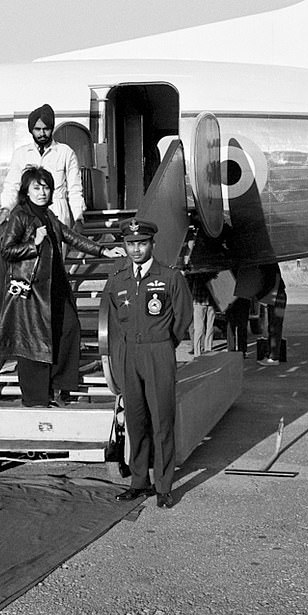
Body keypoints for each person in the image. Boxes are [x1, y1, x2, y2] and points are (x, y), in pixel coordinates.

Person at [0, 166, 124, 407]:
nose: (42, 192)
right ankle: (36, 398)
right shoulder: (20, 215)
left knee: (69, 329)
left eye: (46, 187)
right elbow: (7, 250)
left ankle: (60, 386)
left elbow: (71, 237)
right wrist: (34, 243)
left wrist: (103, 250)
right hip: (31, 290)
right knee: (33, 344)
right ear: (26, 191)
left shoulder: (48, 215)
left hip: (54, 285)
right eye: (36, 187)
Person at [104, 218, 193, 509]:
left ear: (151, 244)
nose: (136, 249)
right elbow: (116, 323)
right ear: (125, 246)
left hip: (158, 353)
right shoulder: (118, 280)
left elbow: (183, 316)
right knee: (135, 421)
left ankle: (164, 486)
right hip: (130, 355)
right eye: (131, 244)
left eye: (142, 243)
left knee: (162, 421)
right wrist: (120, 359)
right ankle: (139, 481)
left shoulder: (169, 277)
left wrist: (167, 344)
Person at [0, 103, 86, 227]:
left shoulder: (65, 152)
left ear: (52, 128)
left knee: (56, 244)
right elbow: (12, 185)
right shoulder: (21, 154)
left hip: (57, 211)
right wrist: (6, 208)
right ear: (31, 130)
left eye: (46, 129)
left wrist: (78, 217)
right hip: (29, 213)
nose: (42, 133)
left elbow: (75, 188)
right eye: (37, 129)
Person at [187, 272, 216, 356]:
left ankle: (198, 352)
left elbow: (189, 279)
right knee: (206, 327)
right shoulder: (212, 269)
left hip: (200, 299)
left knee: (199, 328)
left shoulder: (197, 268)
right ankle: (207, 350)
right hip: (208, 299)